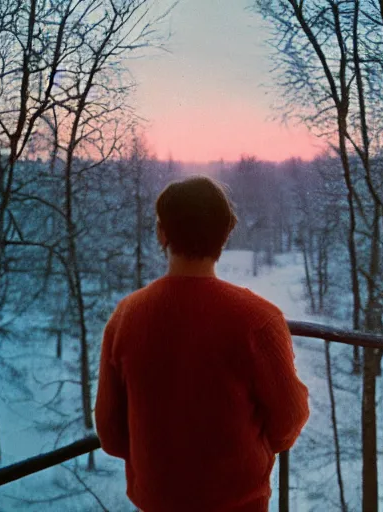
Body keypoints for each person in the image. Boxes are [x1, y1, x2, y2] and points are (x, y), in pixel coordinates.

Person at [95, 176, 310, 512]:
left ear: (162, 234)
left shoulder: (126, 316)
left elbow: (110, 432)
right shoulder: (259, 320)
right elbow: (288, 421)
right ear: (225, 235)